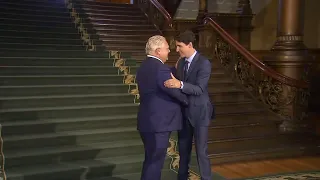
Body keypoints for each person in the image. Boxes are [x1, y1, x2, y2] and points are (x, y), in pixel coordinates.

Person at [136, 35, 189, 180]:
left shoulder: (144, 66)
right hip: (158, 125)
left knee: (150, 161)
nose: (169, 52)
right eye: (167, 49)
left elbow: (157, 81)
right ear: (158, 51)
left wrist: (174, 68)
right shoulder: (160, 70)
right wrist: (190, 100)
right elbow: (175, 92)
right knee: (155, 163)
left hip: (147, 122)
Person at [164, 30, 214, 180]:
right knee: (183, 151)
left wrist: (179, 83)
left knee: (201, 151)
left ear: (190, 45)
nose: (177, 49)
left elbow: (199, 89)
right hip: (184, 113)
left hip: (200, 113)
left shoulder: (204, 63)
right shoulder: (181, 62)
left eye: (179, 46)